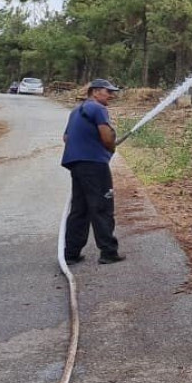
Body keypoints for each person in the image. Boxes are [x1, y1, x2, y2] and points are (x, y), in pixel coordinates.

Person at [60, 78, 125, 265]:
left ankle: (71, 254)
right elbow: (106, 137)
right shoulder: (98, 109)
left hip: (77, 164)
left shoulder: (76, 111)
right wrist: (110, 147)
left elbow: (66, 137)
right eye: (108, 91)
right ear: (95, 92)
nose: (111, 95)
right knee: (102, 206)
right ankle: (108, 252)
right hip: (94, 165)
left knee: (80, 209)